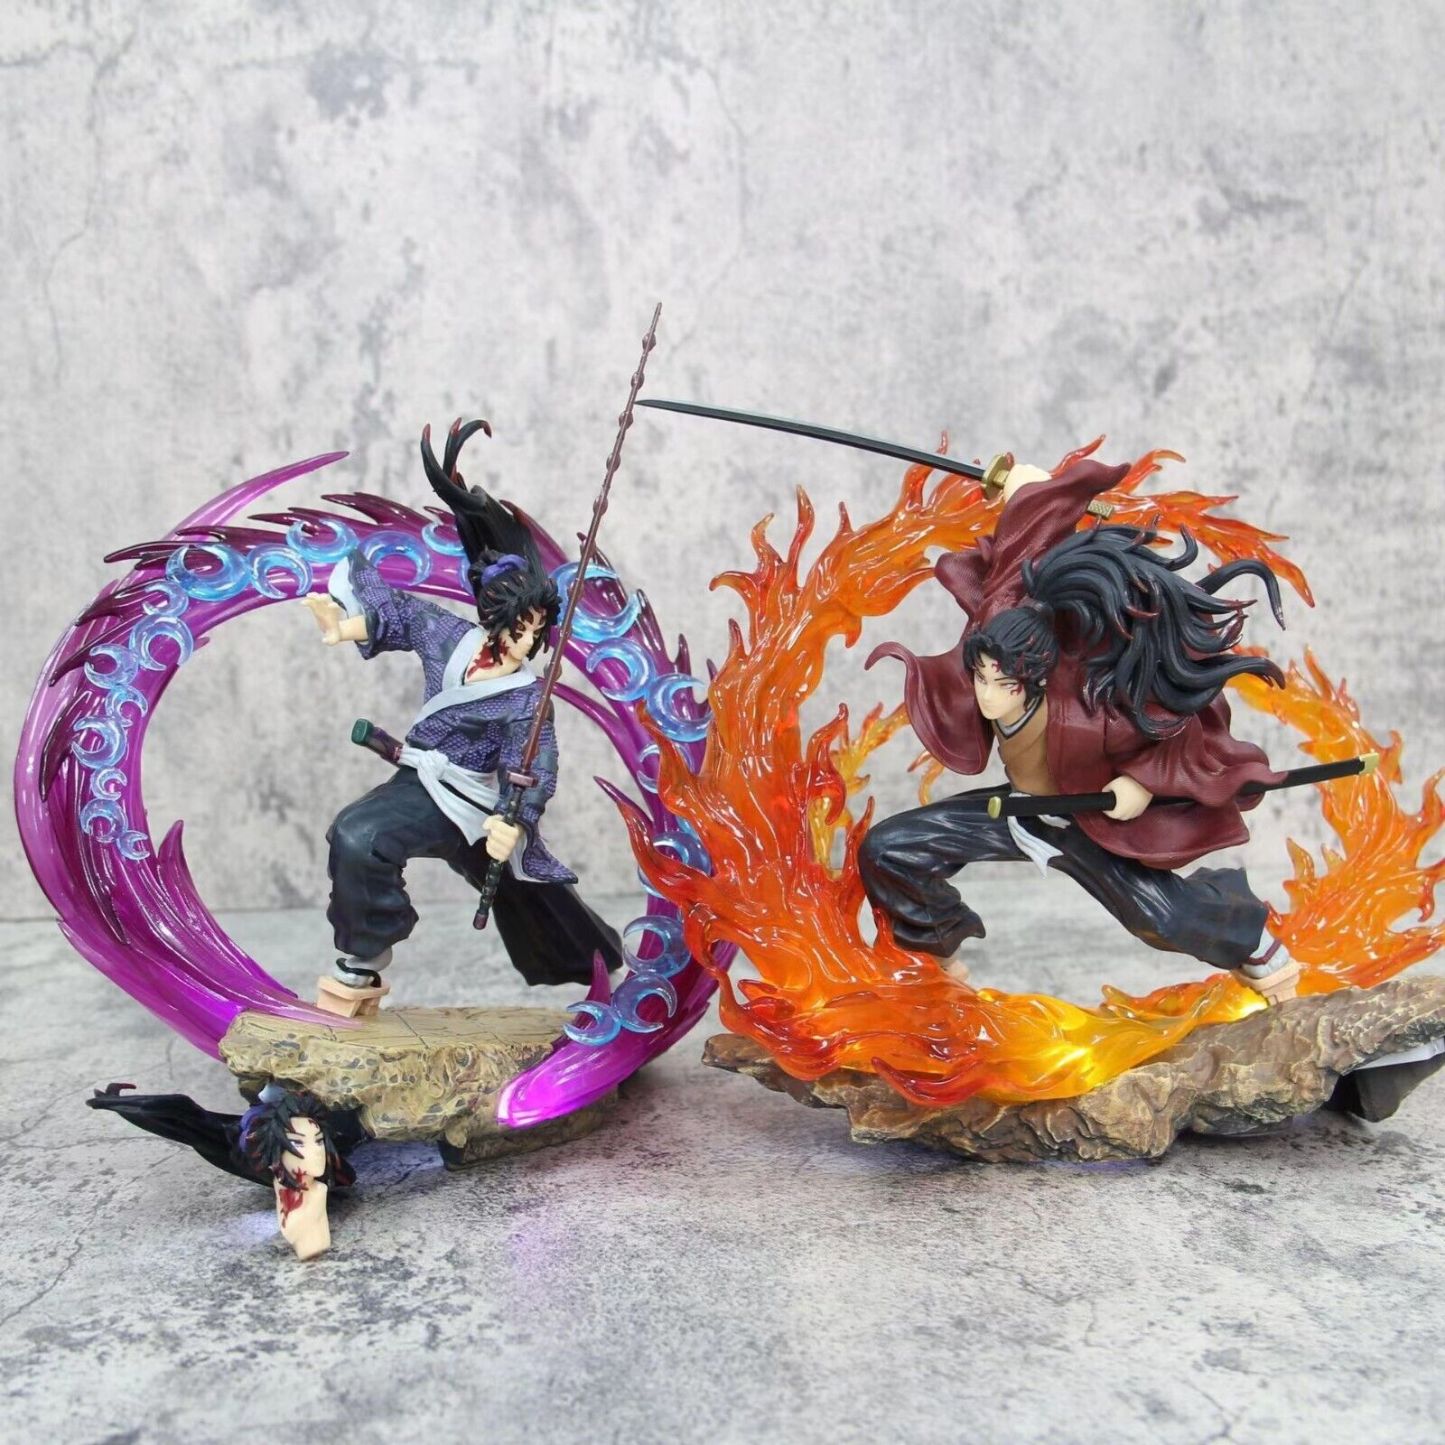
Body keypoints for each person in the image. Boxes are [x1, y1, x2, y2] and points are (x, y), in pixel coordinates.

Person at [860, 456, 1301, 1004]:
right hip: (1020, 809)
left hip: (1082, 819)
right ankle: (932, 958)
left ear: (1038, 677)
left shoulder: (1086, 696)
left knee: (1159, 919)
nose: (988, 696)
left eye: (1005, 685)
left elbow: (1172, 719)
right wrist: (1027, 497)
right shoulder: (998, 635)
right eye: (981, 679)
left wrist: (1140, 782)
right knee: (892, 849)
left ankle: (1251, 936)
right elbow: (1016, 567)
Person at [303, 418, 622, 998]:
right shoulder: (452, 638)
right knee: (356, 834)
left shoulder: (527, 697)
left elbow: (534, 765)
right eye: (520, 626)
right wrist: (345, 627)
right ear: (497, 616)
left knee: (530, 893)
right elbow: (403, 617)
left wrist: (514, 819)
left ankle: (592, 961)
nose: (528, 640)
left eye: (537, 631)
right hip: (421, 786)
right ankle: (364, 956)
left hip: (475, 804)